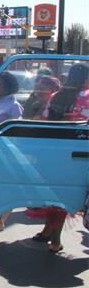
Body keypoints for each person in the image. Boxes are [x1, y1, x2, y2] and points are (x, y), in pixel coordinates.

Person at [29, 63, 89, 253]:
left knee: (56, 195)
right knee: (71, 196)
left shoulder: (56, 96)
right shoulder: (87, 97)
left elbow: (46, 122)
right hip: (80, 155)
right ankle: (55, 239)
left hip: (54, 153)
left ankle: (50, 233)